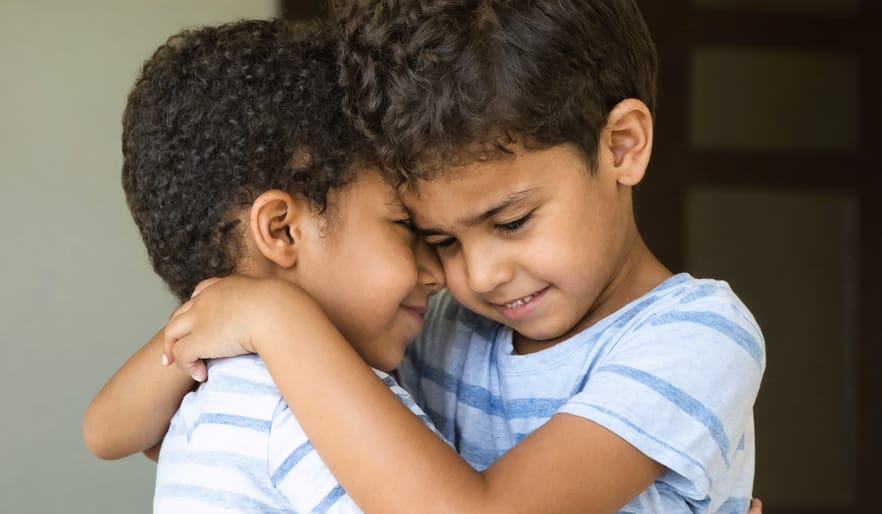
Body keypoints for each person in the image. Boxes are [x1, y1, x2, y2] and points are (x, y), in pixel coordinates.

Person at [85, 1, 766, 512]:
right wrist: (251, 313)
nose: (471, 274)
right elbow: (115, 432)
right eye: (435, 237)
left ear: (620, 146)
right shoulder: (447, 329)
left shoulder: (696, 337)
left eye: (512, 220)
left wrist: (276, 319)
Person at [85, 18, 446, 513]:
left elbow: (103, 434)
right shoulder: (314, 419)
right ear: (282, 230)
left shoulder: (211, 386)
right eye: (406, 224)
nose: (439, 273)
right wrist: (273, 313)